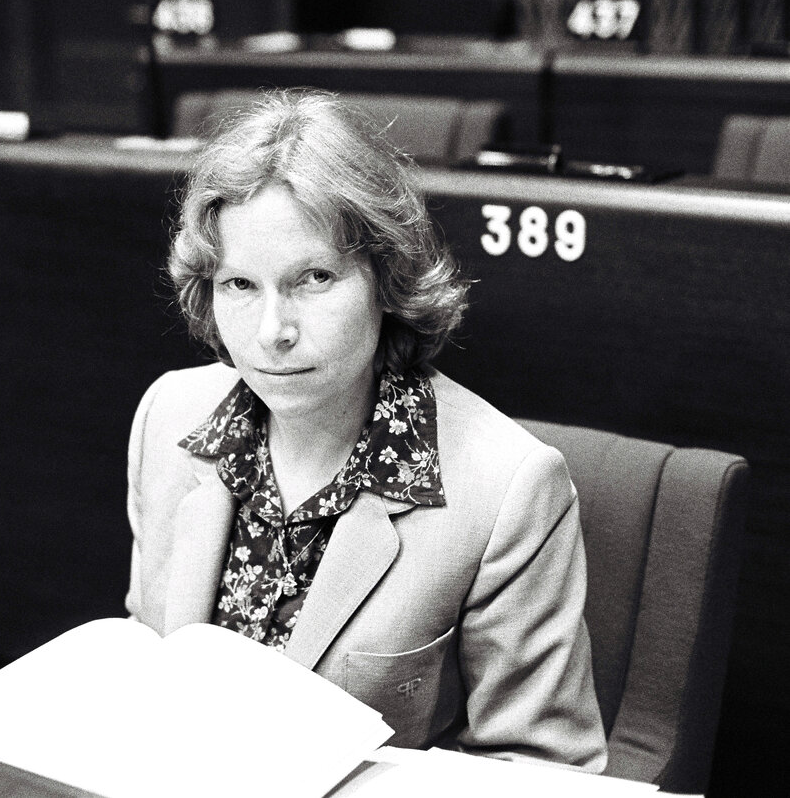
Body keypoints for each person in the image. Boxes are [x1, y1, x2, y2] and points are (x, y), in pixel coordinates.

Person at [125, 89, 607, 770]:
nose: (271, 333)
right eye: (239, 285)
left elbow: (541, 770)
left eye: (312, 278)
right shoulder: (168, 416)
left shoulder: (506, 488)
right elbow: (149, 662)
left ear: (386, 277)